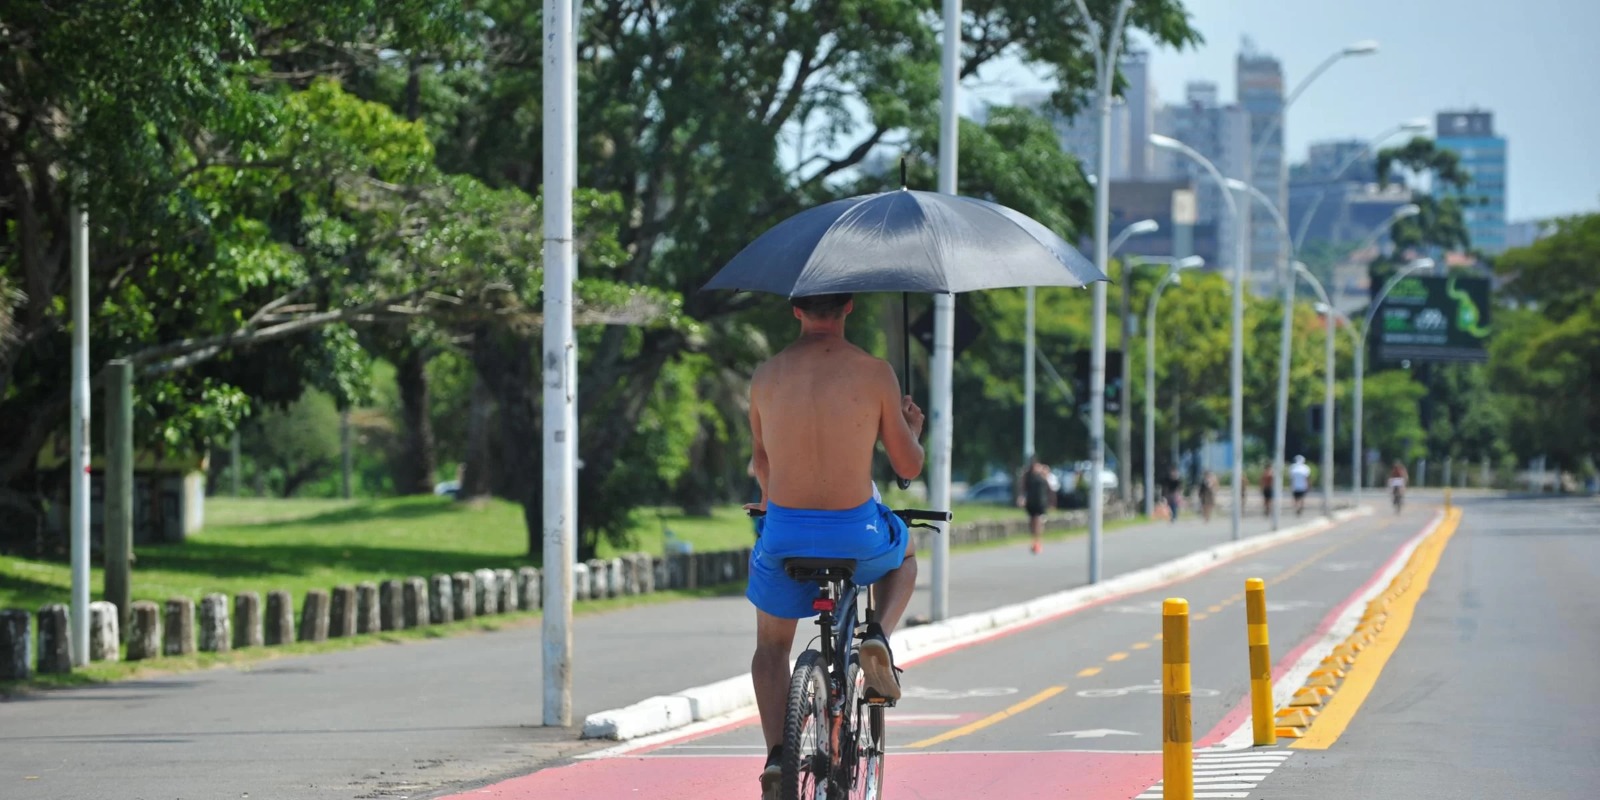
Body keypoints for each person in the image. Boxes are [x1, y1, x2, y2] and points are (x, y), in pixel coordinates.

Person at [745, 293, 924, 798]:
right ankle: (877, 637)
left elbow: (763, 464)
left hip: (784, 532)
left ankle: (780, 756)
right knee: (905, 557)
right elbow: (907, 467)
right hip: (855, 531)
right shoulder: (875, 372)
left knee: (770, 647)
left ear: (796, 310)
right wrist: (912, 430)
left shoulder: (766, 375)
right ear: (848, 307)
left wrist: (770, 503)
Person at [1016, 456, 1053, 554]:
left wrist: (1051, 501)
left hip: (1040, 501)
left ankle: (1037, 541)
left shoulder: (1043, 473)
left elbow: (1049, 487)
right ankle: (1034, 539)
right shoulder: (1027, 475)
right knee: (1032, 521)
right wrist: (1021, 498)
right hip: (1031, 501)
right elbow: (1022, 487)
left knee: (1037, 520)